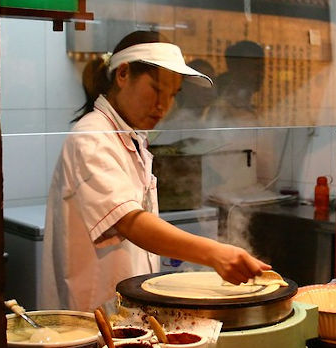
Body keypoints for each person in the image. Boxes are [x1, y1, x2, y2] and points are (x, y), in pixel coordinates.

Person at [40, 31, 271, 312]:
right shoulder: (91, 136)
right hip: (92, 314)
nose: (164, 105)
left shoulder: (130, 137)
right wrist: (214, 253)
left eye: (172, 94)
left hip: (125, 310)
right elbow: (130, 222)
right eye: (156, 89)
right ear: (123, 74)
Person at [206, 40, 265, 125]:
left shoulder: (250, 108)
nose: (260, 74)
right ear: (235, 69)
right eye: (254, 68)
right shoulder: (221, 111)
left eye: (262, 68)